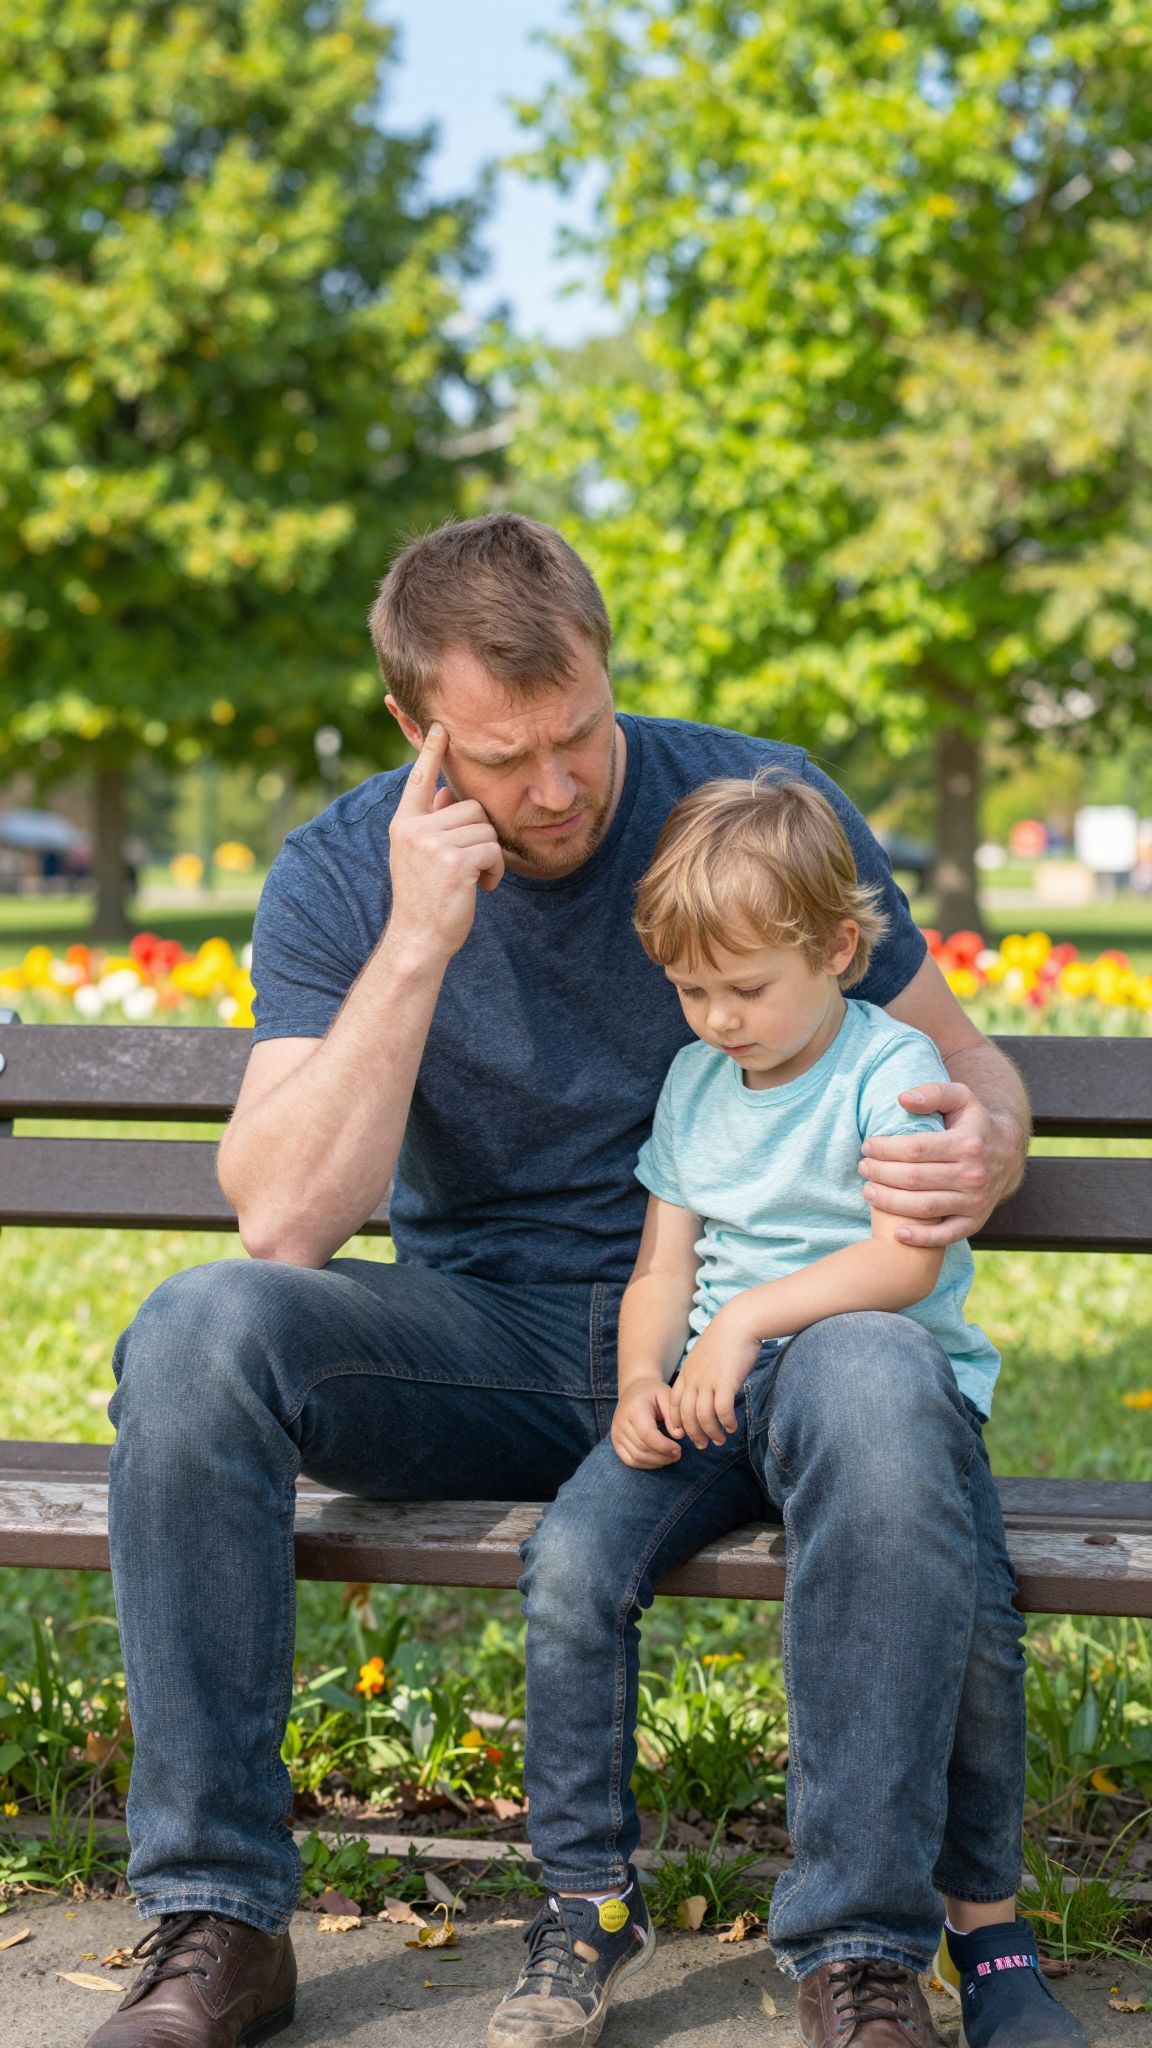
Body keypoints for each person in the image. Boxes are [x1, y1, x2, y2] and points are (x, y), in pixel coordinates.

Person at [90, 514, 1032, 2048]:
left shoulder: (755, 806)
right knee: (199, 1330)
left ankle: (858, 1955)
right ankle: (218, 1922)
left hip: (760, 1338)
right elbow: (284, 1221)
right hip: (488, 1345)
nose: (556, 787)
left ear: (606, 666)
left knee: (884, 1365)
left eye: (579, 733)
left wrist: (977, 1144)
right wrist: (416, 938)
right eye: (503, 754)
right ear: (416, 726)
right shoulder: (346, 871)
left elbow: (965, 1059)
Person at [490, 776, 1087, 2048]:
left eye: (745, 988)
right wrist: (647, 1381)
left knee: (954, 1585)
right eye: (692, 992)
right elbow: (664, 1264)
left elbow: (904, 1260)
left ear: (836, 949)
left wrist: (751, 1317)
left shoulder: (893, 1063)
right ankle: (588, 1897)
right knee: (571, 1560)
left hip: (877, 1394)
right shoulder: (700, 1082)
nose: (719, 1019)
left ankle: (924, 1945)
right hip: (716, 1399)